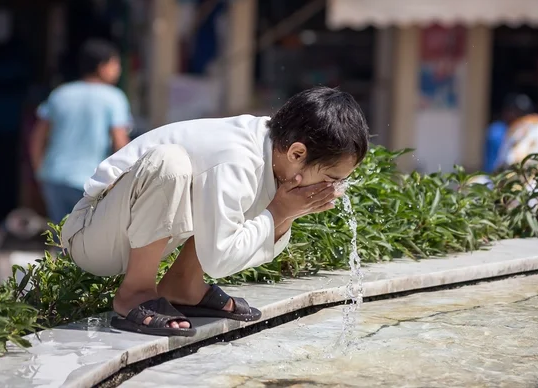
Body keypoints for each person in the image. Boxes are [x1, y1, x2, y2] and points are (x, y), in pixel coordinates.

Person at [60, 87, 369, 337]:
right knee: (172, 163)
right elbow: (220, 259)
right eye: (331, 179)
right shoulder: (236, 159)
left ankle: (184, 285)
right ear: (297, 152)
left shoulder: (270, 152)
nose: (335, 188)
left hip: (132, 232)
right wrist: (277, 213)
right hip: (92, 237)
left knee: (242, 189)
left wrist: (283, 213)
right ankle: (135, 292)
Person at [30, 39, 131, 223]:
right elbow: (120, 143)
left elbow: (37, 136)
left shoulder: (60, 94)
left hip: (55, 176)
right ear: (102, 66)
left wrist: (39, 170)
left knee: (60, 237)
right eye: (115, 64)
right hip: (92, 179)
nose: (118, 69)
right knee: (86, 241)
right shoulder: (114, 98)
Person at [484, 94, 534, 173]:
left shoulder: (523, 130)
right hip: (494, 175)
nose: (518, 117)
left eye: (521, 114)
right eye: (515, 112)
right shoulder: (496, 130)